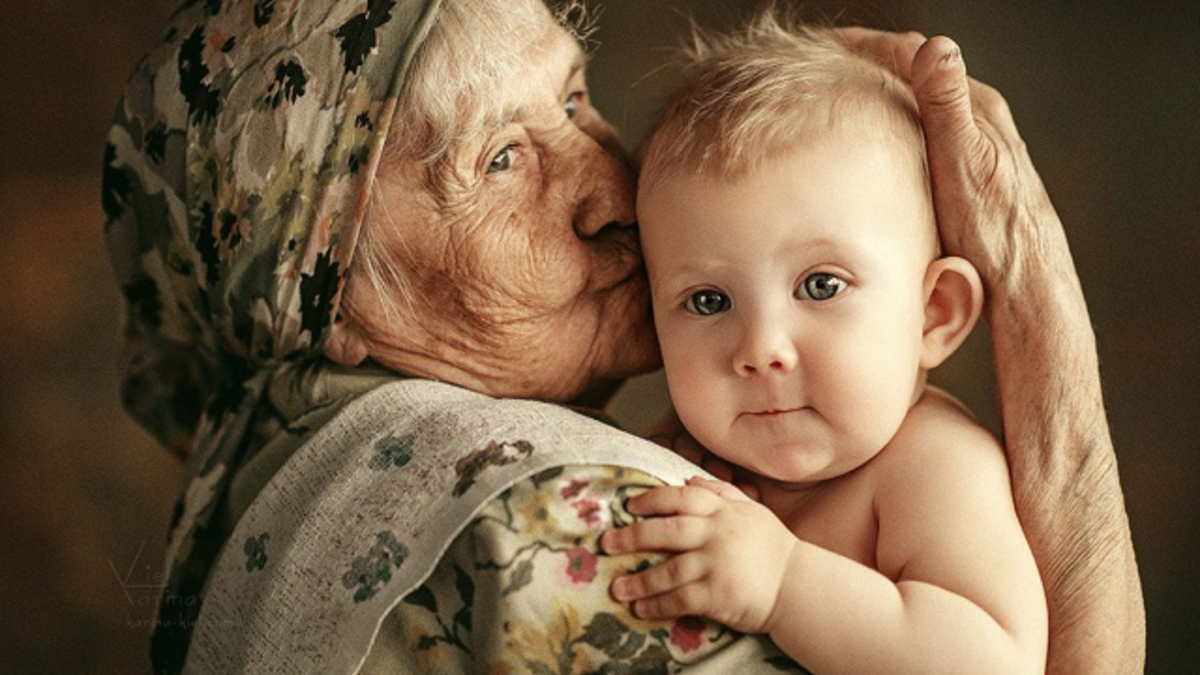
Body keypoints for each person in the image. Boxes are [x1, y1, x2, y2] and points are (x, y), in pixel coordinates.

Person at [99, 0, 1142, 673]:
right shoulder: (570, 528)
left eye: (571, 96)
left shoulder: (275, 458)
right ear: (327, 302)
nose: (614, 192)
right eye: (501, 159)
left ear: (936, 312)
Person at [602, 18, 1046, 674]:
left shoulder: (934, 466)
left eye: (819, 284)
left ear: (933, 314)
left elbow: (994, 663)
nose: (761, 348)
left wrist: (784, 581)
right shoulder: (690, 454)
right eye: (708, 301)